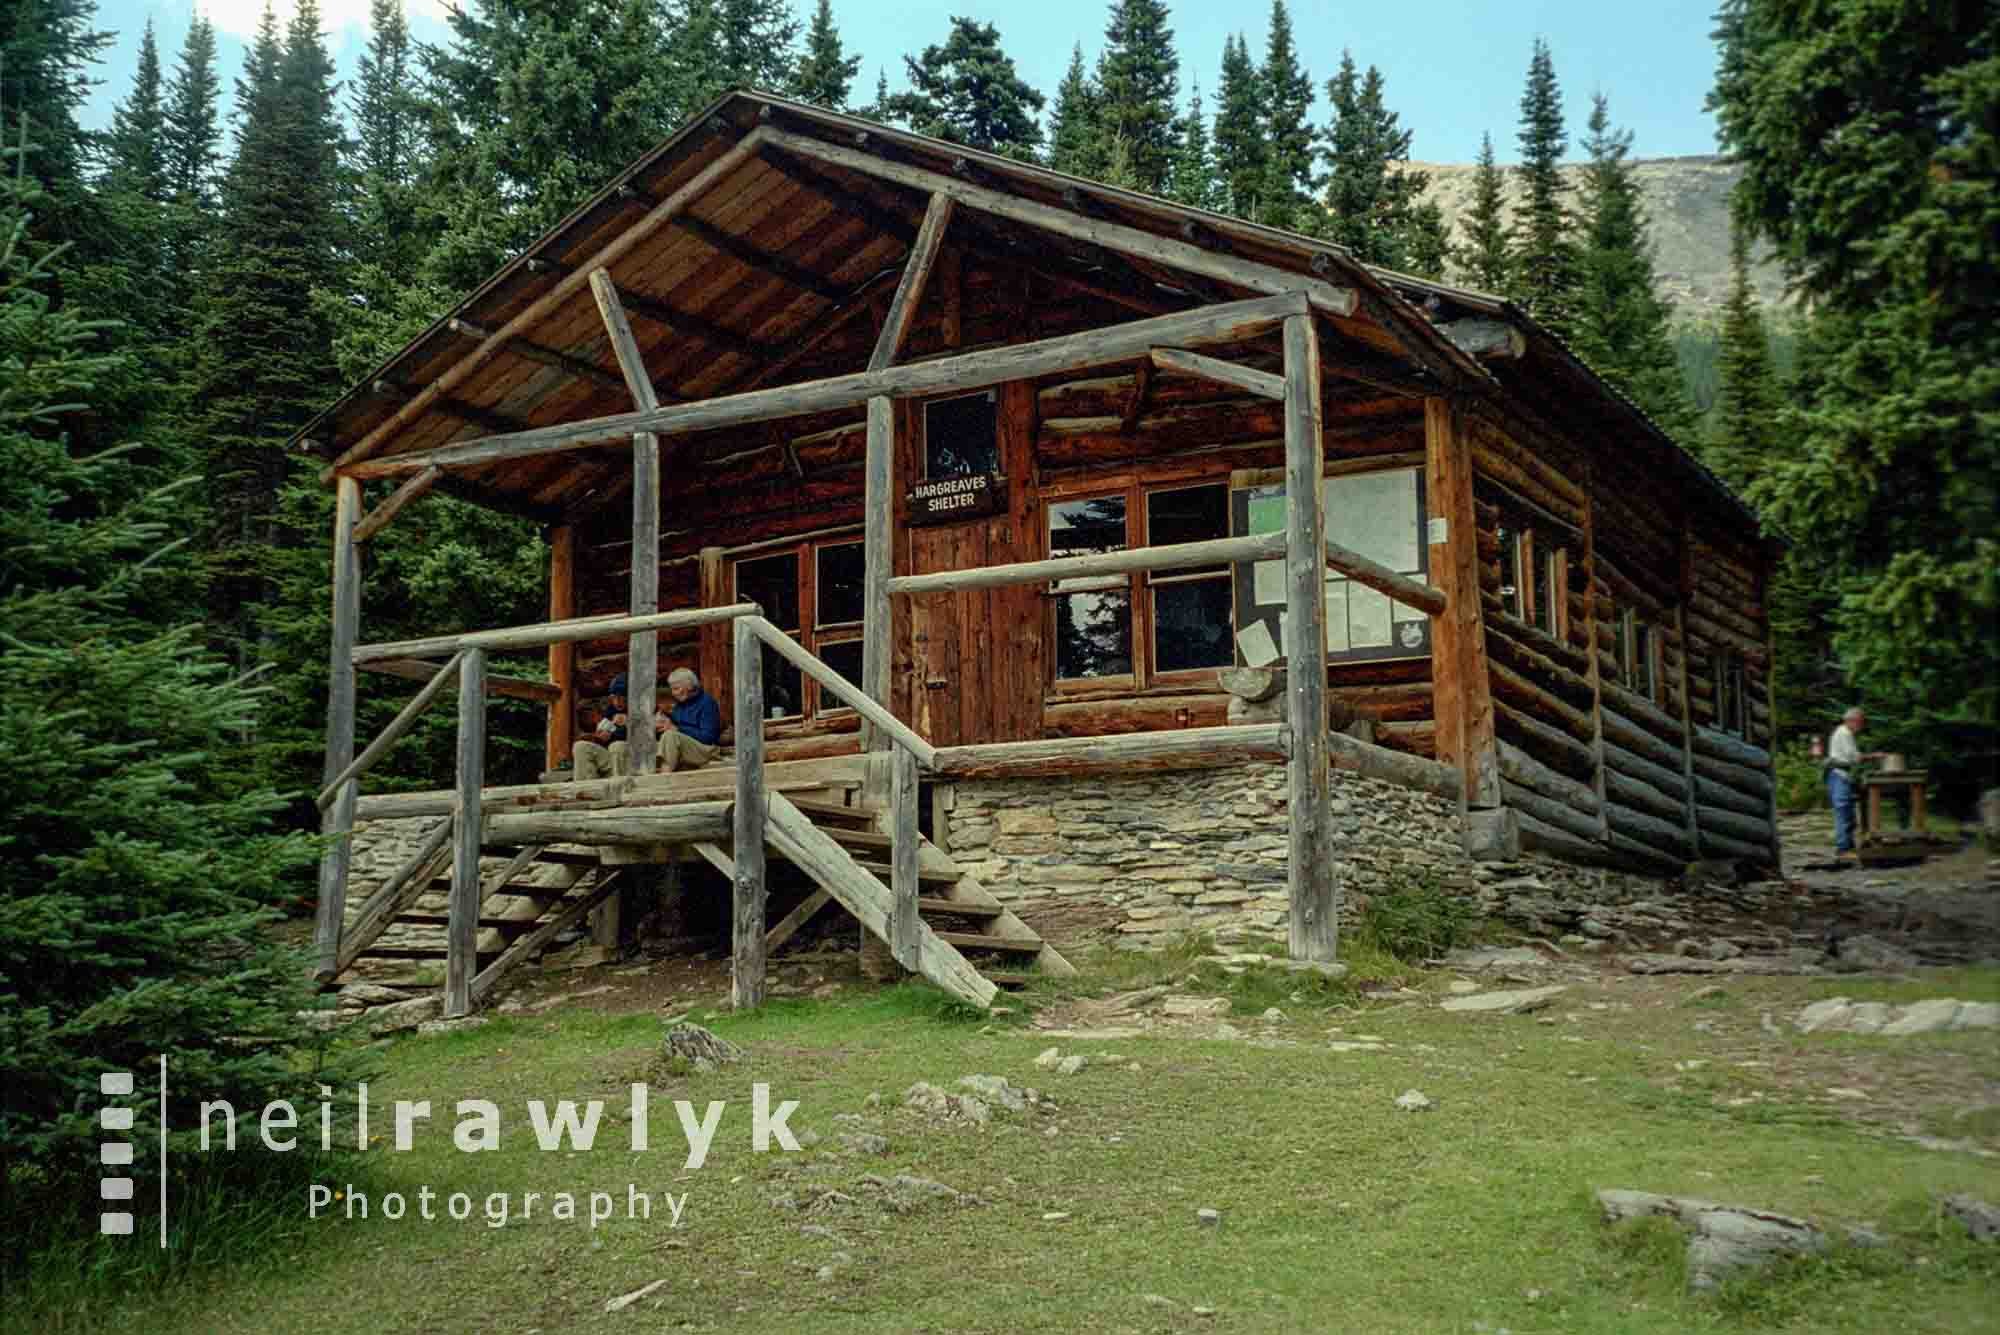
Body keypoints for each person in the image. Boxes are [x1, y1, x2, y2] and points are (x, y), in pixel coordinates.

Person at [1825, 707, 1887, 862]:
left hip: (1842, 775)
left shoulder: (1846, 733)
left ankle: (1849, 846)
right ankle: (1843, 849)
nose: (1861, 726)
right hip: (1838, 775)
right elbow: (1854, 758)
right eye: (1860, 722)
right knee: (1843, 812)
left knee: (1849, 815)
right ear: (1851, 720)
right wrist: (1875, 756)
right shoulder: (1844, 733)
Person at [656, 667, 721, 772]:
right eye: (672, 689)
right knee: (621, 747)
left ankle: (665, 778)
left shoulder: (707, 703)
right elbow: (675, 729)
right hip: (683, 748)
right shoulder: (679, 705)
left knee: (670, 736)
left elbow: (708, 738)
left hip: (706, 751)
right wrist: (659, 724)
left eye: (676, 688)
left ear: (689, 686)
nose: (674, 693)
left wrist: (677, 729)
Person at [571, 674, 630, 780]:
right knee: (580, 746)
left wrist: (630, 722)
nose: (617, 701)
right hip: (611, 759)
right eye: (613, 697)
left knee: (617, 746)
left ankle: (620, 790)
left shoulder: (643, 708)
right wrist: (598, 738)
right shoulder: (610, 711)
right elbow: (606, 735)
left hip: (631, 761)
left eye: (621, 697)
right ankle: (586, 791)